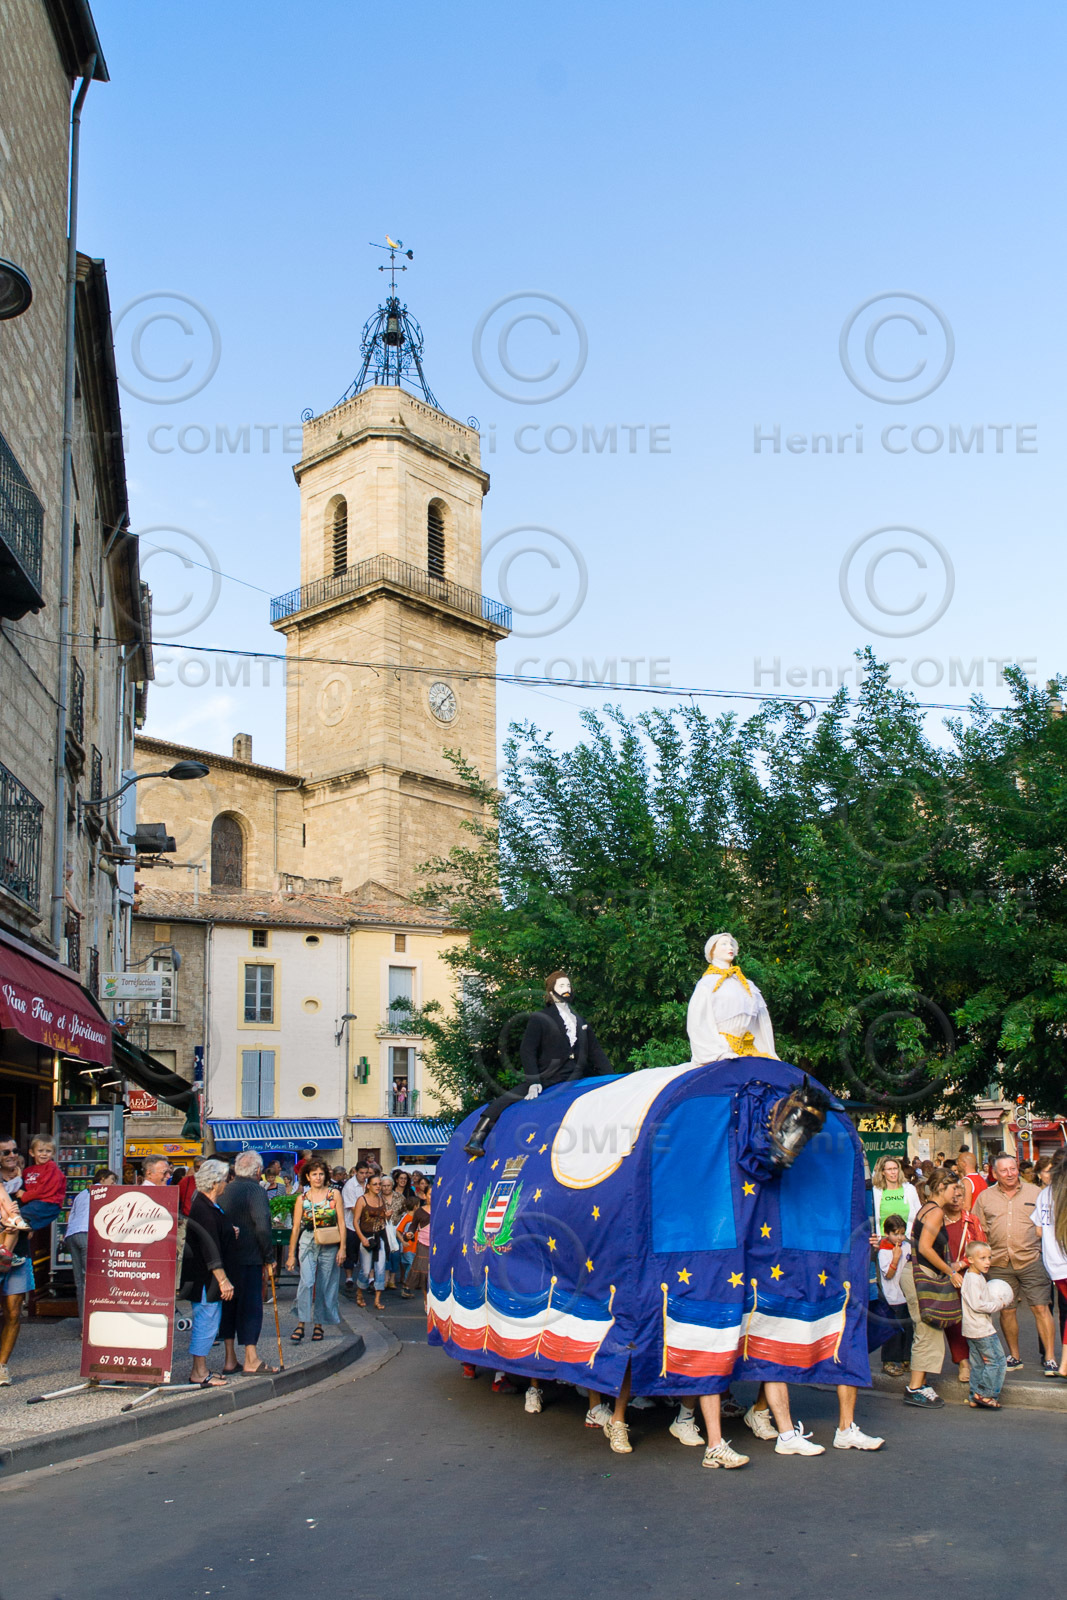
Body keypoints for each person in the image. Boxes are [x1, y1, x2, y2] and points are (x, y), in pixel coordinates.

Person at [463, 970, 614, 1157]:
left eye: (568, 986)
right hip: (548, 1076)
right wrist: (534, 1080)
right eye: (561, 986)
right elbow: (527, 1050)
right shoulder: (540, 1017)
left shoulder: (581, 1021)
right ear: (551, 991)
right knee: (507, 1098)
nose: (566, 990)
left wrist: (612, 1078)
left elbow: (596, 1052)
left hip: (575, 1076)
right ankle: (477, 1136)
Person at [974, 1152, 1057, 1374]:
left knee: (1041, 1307)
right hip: (999, 1262)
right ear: (994, 1173)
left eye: (1013, 1169)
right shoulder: (985, 1197)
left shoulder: (1036, 1192)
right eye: (1004, 1170)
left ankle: (1050, 1358)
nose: (1010, 1174)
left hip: (1031, 1259)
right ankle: (1014, 1356)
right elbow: (978, 1230)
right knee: (1007, 1311)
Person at [900, 1167, 962, 1408]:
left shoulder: (928, 1208)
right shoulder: (935, 1212)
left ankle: (921, 1383)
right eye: (953, 1188)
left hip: (916, 1274)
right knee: (926, 1331)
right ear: (940, 1188)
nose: (957, 1192)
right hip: (921, 1276)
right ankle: (914, 1388)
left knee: (929, 1330)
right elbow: (925, 1248)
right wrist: (951, 1271)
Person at [218, 1151, 277, 1375]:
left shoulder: (226, 1188)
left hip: (226, 1258)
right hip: (250, 1257)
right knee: (251, 1307)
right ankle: (251, 1359)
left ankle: (230, 1359)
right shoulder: (256, 1190)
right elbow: (262, 1225)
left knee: (229, 1307)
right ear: (258, 1171)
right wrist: (269, 1256)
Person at [178, 1158, 236, 1387]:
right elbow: (210, 1248)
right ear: (215, 1183)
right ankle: (199, 1372)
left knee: (208, 1320)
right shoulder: (205, 1208)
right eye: (224, 1180)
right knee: (206, 1321)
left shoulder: (205, 1204)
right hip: (205, 1278)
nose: (225, 1184)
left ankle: (200, 1368)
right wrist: (224, 1281)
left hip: (203, 1275)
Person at [687, 932, 778, 1064]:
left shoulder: (747, 985)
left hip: (748, 1049)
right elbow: (698, 1022)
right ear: (712, 951)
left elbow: (761, 1022)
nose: (730, 947)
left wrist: (768, 1050)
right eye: (723, 944)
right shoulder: (708, 984)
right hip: (721, 1049)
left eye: (730, 944)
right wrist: (717, 1052)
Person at [286, 1157, 345, 1342]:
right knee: (307, 1281)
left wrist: (343, 1248)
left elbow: (342, 1222)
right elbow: (296, 1227)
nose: (318, 1178)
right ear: (307, 1177)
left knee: (325, 1284)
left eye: (321, 1174)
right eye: (314, 1174)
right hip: (308, 1240)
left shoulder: (334, 1195)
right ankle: (302, 1322)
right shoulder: (301, 1199)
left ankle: (319, 1324)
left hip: (330, 1240)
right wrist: (290, 1255)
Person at [941, 1176, 987, 1386]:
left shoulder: (971, 1220)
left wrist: (961, 1265)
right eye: (954, 1195)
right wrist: (947, 1270)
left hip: (969, 1277)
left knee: (975, 1317)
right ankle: (963, 1362)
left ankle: (981, 1358)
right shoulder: (936, 1220)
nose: (957, 1199)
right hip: (944, 1277)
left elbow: (982, 1248)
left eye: (961, 1195)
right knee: (954, 1322)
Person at [961, 1238, 1013, 1409]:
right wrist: (999, 1304)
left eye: (989, 1258)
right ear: (970, 1259)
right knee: (997, 1362)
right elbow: (978, 1305)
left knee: (978, 1364)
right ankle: (986, 1394)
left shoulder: (973, 1276)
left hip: (972, 1329)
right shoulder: (974, 1280)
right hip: (982, 1330)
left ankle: (973, 1395)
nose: (987, 1262)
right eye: (982, 1258)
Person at [64, 1167, 118, 1327]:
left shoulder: (82, 1194)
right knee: (91, 1280)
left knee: (80, 1282)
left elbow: (72, 1214)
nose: (114, 1185)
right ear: (102, 1180)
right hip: (86, 1233)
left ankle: (83, 1323)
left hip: (72, 1234)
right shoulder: (101, 1192)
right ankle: (90, 1325)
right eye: (112, 1181)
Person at [1033, 1147, 1067, 1378]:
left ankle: (1064, 1364)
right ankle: (1064, 1364)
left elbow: (1037, 1230)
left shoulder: (1045, 1193)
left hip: (1054, 1264)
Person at [876, 1212, 913, 1376]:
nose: (899, 1237)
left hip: (906, 1294)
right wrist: (895, 1258)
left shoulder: (906, 1245)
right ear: (887, 1234)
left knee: (908, 1328)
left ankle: (906, 1358)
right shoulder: (884, 1251)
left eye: (902, 1233)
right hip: (892, 1296)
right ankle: (889, 1361)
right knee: (893, 1332)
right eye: (895, 1234)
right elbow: (888, 1275)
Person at [353, 1172, 388, 1311]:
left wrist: (386, 1216)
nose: (378, 1186)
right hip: (366, 1236)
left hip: (380, 1236)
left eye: (379, 1184)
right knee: (366, 1270)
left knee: (380, 1268)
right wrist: (362, 1238)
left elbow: (383, 1219)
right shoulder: (362, 1200)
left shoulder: (381, 1200)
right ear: (368, 1186)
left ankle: (377, 1299)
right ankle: (360, 1292)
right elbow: (355, 1221)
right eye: (375, 1184)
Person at [17, 1135, 66, 1233]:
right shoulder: (28, 1171)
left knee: (16, 1215)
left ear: (53, 1153)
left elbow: (44, 1190)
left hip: (49, 1203)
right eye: (40, 1151)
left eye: (48, 1151)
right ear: (32, 1152)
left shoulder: (51, 1168)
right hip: (35, 1204)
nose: (44, 1154)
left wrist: (24, 1195)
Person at [871, 1155, 921, 1237]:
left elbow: (918, 1213)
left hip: (905, 1239)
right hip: (883, 1240)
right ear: (883, 1172)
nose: (893, 1172)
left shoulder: (909, 1189)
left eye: (895, 1168)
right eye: (889, 1169)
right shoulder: (876, 1191)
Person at [402, 1175, 432, 1305]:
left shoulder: (442, 1210)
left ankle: (436, 1301)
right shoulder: (420, 1211)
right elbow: (412, 1227)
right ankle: (426, 1300)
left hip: (438, 1247)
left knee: (436, 1274)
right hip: (423, 1245)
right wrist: (408, 1235)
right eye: (430, 1194)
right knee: (425, 1274)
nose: (433, 1197)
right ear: (425, 1196)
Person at [341, 1161, 370, 1292]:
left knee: (368, 1250)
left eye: (366, 1173)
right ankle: (348, 1278)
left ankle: (369, 1276)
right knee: (351, 1252)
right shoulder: (350, 1186)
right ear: (355, 1172)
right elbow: (353, 1207)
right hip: (352, 1224)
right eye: (361, 1173)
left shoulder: (369, 1184)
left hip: (367, 1225)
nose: (364, 1176)